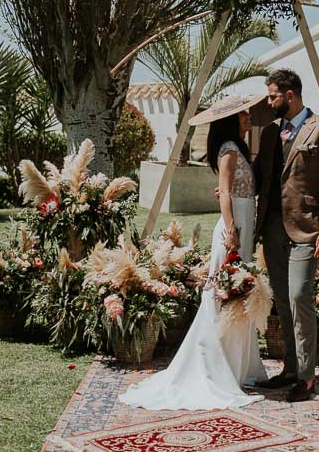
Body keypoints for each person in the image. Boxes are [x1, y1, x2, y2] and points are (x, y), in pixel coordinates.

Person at [119, 94, 268, 410]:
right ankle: (215, 369)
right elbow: (225, 193)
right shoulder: (228, 150)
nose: (248, 118)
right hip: (234, 229)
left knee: (239, 298)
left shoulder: (238, 148)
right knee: (225, 298)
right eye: (243, 115)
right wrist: (231, 232)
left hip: (244, 224)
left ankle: (237, 367)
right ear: (230, 120)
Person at [254, 69, 319, 403]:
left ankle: (306, 378)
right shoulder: (268, 134)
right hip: (272, 229)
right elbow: (259, 177)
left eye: (273, 96)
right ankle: (290, 370)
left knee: (298, 297)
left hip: (307, 230)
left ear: (290, 95)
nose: (269, 101)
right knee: (283, 302)